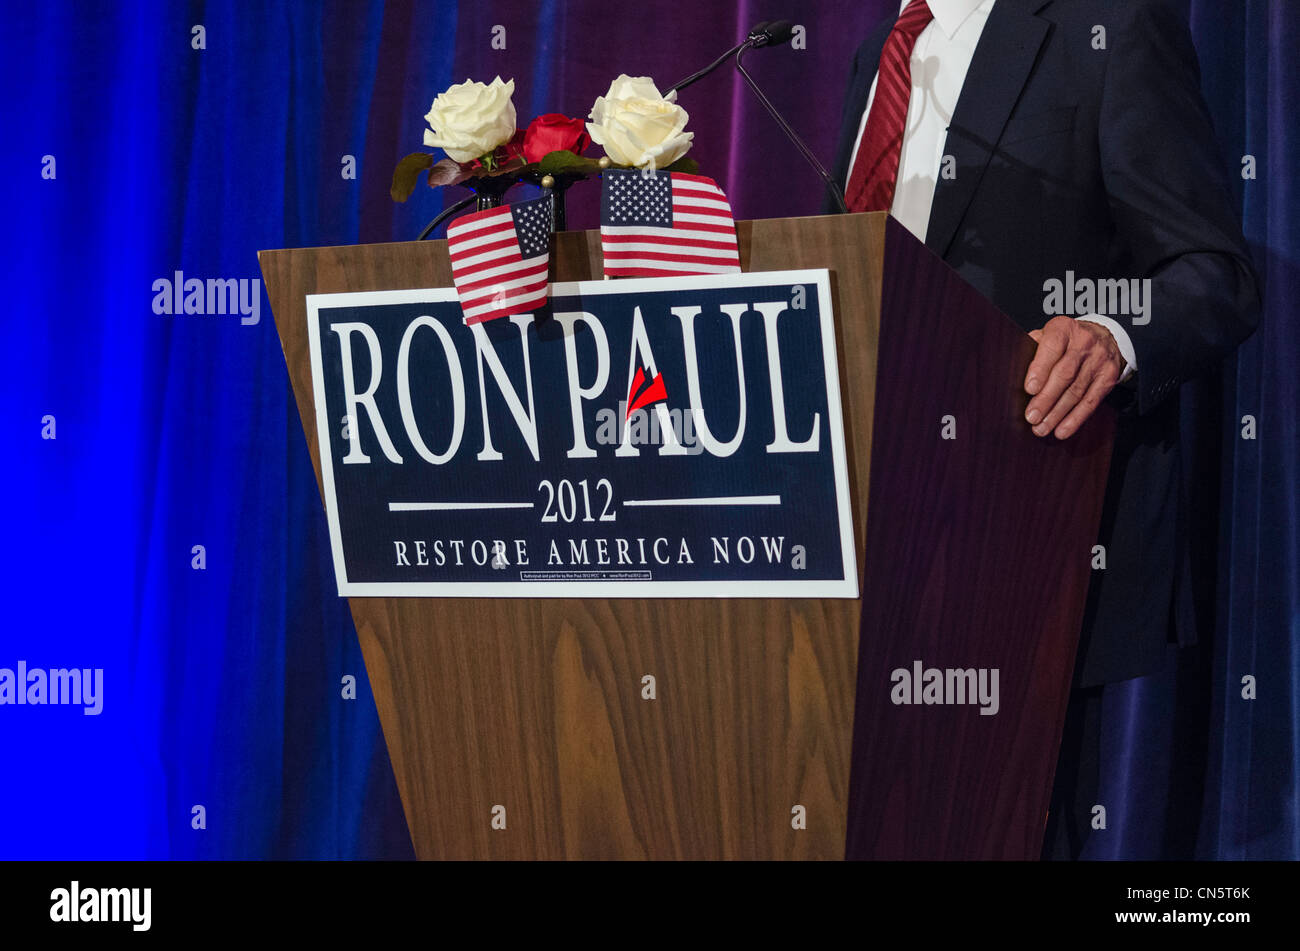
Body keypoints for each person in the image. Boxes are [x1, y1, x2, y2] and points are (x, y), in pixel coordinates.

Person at [827, 0, 1260, 857]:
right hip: (869, 541)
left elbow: (1213, 274)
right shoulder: (879, 53)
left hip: (1022, 531)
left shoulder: (1111, 26)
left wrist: (1112, 333)